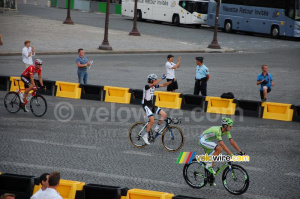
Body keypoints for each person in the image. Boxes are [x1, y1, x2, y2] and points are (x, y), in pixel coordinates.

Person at [199, 118, 244, 186]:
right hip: (202, 140)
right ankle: (208, 166)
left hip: (208, 140)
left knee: (213, 158)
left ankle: (209, 179)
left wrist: (240, 151)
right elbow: (222, 145)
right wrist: (231, 154)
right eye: (230, 126)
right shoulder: (218, 131)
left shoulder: (226, 131)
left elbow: (232, 141)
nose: (231, 128)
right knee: (219, 149)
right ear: (225, 126)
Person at [141, 74, 172, 145]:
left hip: (151, 105)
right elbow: (155, 83)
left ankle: (157, 128)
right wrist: (162, 78)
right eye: (154, 79)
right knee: (152, 121)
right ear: (151, 80)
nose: (155, 81)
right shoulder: (146, 86)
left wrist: (171, 81)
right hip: (146, 105)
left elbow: (164, 85)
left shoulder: (154, 86)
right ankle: (145, 135)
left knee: (164, 114)